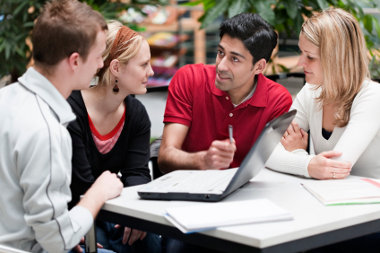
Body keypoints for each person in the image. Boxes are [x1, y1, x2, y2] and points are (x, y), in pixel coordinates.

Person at [0, 1, 123, 253]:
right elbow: (56, 241)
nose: (101, 64)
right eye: (99, 55)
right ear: (75, 61)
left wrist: (62, 232)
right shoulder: (46, 130)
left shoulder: (6, 98)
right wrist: (97, 194)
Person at [67, 21, 161, 253]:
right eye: (144, 65)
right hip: (74, 213)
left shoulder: (136, 114)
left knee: (148, 240)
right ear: (116, 68)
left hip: (111, 209)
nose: (151, 72)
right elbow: (80, 186)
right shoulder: (70, 112)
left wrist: (137, 217)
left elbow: (137, 173)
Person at [158, 13, 292, 173]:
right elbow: (165, 157)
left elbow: (273, 164)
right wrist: (202, 160)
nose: (221, 66)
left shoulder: (278, 100)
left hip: (247, 194)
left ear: (259, 67)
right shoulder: (189, 78)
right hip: (189, 189)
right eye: (221, 52)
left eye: (235, 59)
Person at [266, 8, 380, 180]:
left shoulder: (372, 96)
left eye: (310, 57)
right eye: (301, 53)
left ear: (337, 59)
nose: (300, 62)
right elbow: (266, 150)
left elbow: (336, 169)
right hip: (327, 199)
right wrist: (309, 165)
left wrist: (297, 153)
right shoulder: (312, 91)